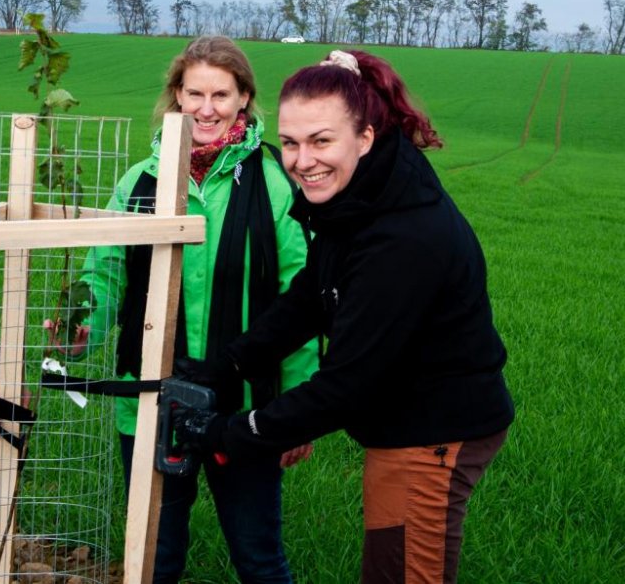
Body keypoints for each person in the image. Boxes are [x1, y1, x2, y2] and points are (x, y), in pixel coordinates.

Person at [176, 49, 515, 584]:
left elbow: (346, 386)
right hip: (404, 420)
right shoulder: (362, 196)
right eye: (290, 142)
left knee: (402, 573)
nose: (302, 160)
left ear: (365, 137)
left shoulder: (400, 238)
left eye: (321, 140)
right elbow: (312, 295)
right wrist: (229, 365)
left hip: (433, 431)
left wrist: (227, 433)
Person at [77, 35, 316, 584]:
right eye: (194, 93)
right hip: (149, 403)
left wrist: (300, 406)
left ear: (244, 98)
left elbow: (299, 299)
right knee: (153, 557)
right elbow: (106, 269)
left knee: (258, 556)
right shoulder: (140, 180)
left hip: (245, 408)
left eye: (221, 94)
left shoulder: (276, 182)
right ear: (175, 97)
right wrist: (81, 328)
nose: (206, 108)